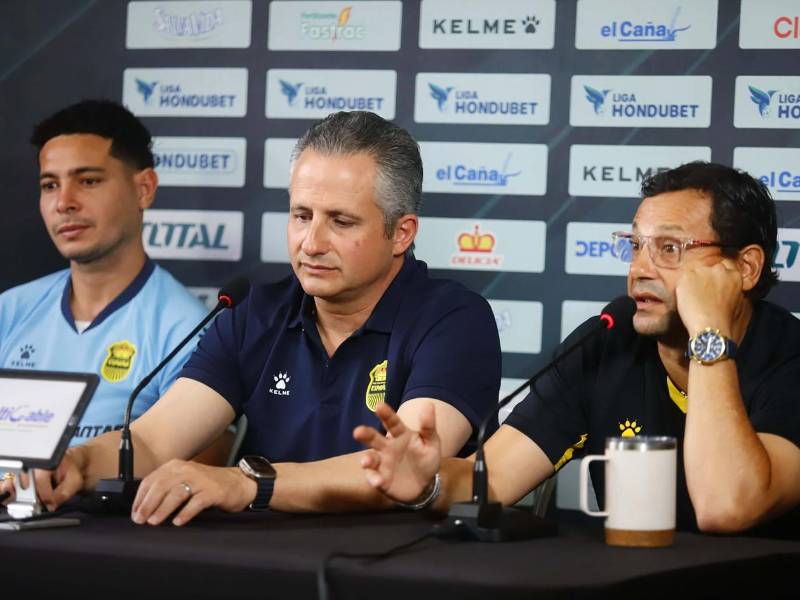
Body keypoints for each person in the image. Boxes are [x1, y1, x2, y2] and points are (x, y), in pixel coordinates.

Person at [2, 111, 501, 525]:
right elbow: (153, 440)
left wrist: (248, 484)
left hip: (399, 568)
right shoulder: (255, 313)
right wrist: (76, 463)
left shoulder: (455, 321)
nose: (311, 243)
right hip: (263, 565)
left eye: (341, 221)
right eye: (301, 215)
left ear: (401, 233)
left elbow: (401, 471)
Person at [355, 162, 800, 534]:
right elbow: (491, 480)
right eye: (635, 246)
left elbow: (727, 507)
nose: (640, 270)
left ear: (745, 267)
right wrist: (428, 482)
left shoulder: (790, 356)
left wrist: (708, 332)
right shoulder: (606, 343)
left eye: (670, 248)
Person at [0, 99, 206, 446]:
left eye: (88, 181)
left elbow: (194, 467)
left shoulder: (186, 329)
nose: (64, 202)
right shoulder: (10, 311)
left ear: (144, 189)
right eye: (50, 185)